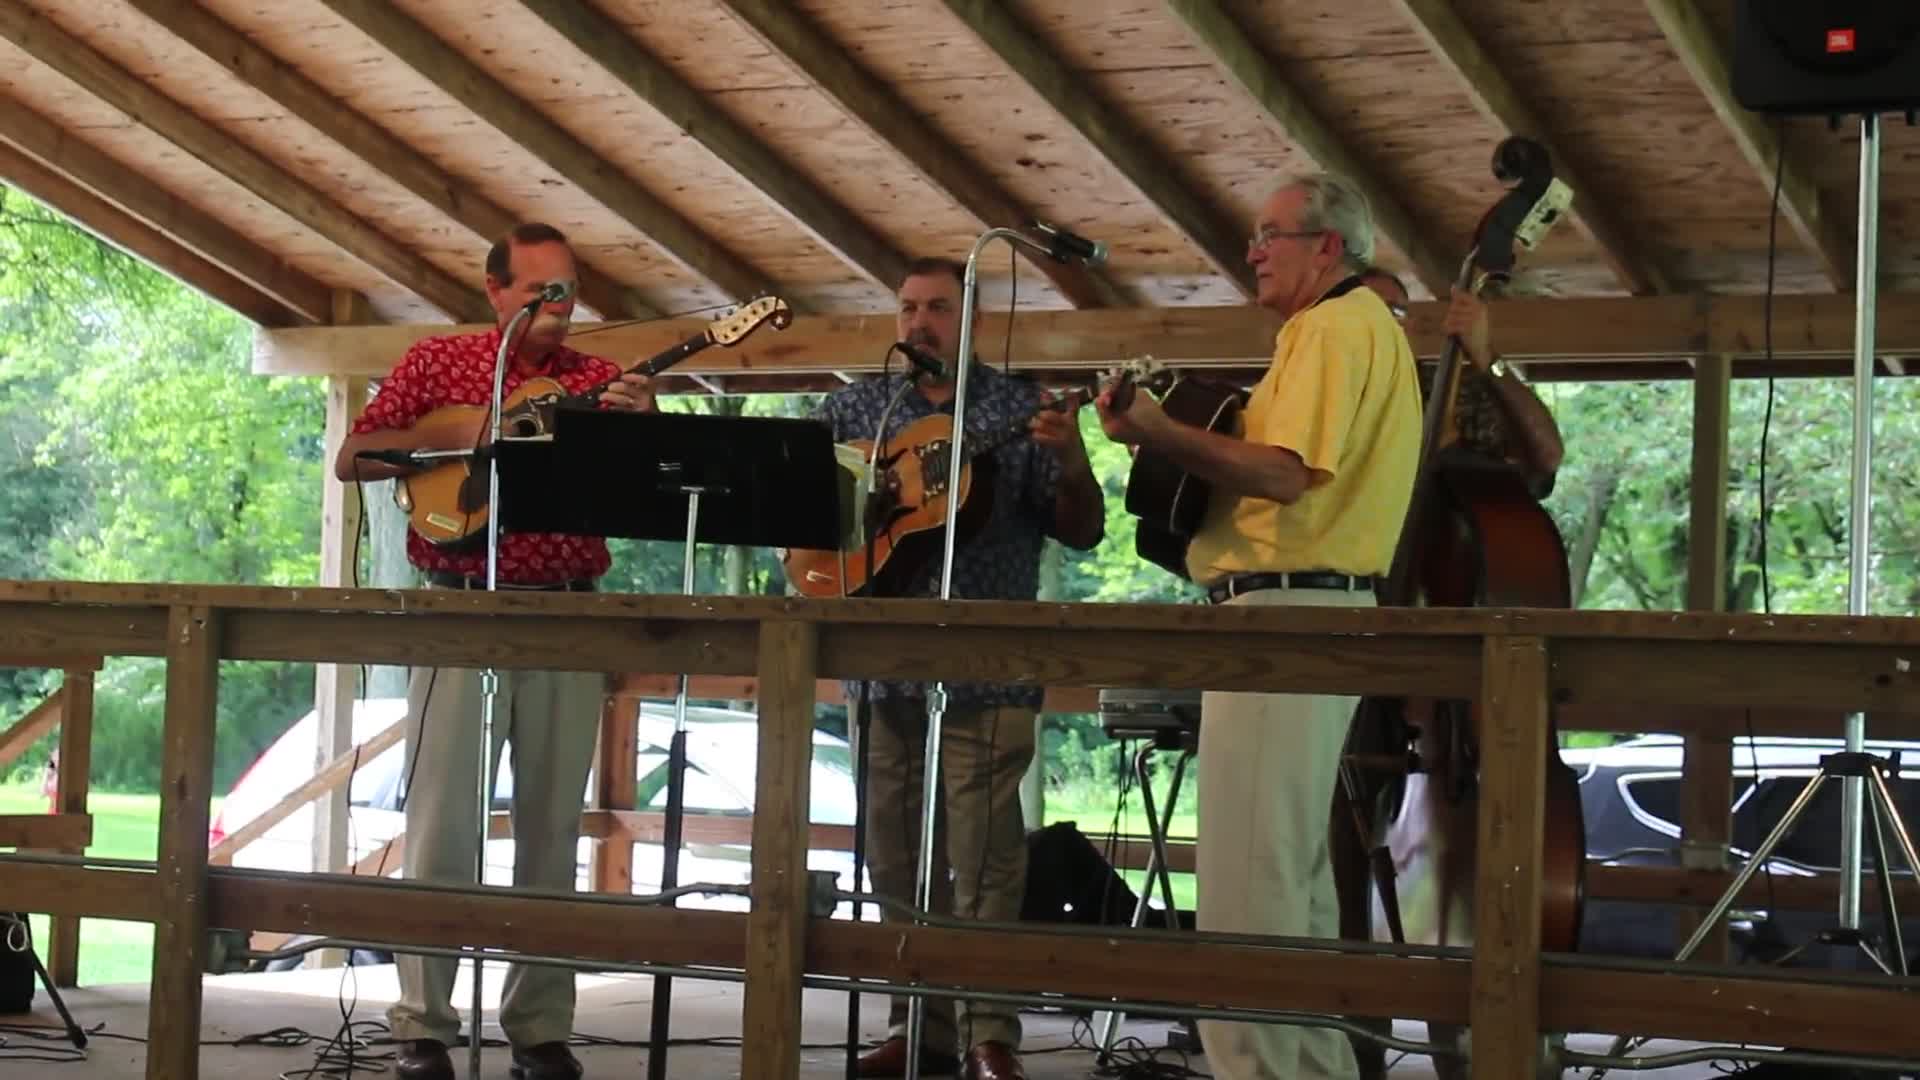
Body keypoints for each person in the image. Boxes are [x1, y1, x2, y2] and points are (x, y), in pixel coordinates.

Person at [1095, 175, 1421, 1080]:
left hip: (1287, 611)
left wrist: (1159, 430)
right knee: (1290, 882)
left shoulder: (1329, 327)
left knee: (1246, 888)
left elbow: (1283, 475)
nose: (1253, 251)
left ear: (1329, 246)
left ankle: (1263, 1072)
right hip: (1315, 608)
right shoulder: (1360, 331)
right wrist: (1163, 438)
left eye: (1272, 235)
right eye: (1253, 237)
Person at [334, 223, 656, 1080]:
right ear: (497, 293)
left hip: (568, 617)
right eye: (540, 291)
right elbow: (354, 455)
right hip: (456, 612)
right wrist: (465, 437)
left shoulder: (597, 382)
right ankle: (423, 1027)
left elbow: (644, 494)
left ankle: (542, 1028)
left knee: (554, 831)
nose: (558, 307)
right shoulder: (439, 366)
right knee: (442, 827)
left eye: (568, 292)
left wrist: (644, 431)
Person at [815, 257, 1104, 1080]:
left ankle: (990, 1034)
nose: (919, 323)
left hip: (989, 666)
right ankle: (921, 1027)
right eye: (907, 307)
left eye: (938, 307)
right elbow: (804, 522)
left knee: (984, 862)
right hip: (879, 669)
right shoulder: (856, 405)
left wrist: (1075, 459)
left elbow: (1082, 531)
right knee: (895, 859)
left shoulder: (1021, 407)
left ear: (973, 316)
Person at [1359, 269, 1564, 495]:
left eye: (1394, 311)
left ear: (1411, 327)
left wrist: (1486, 357)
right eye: (1364, 312)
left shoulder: (1453, 389)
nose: (1382, 322)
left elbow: (1546, 457)